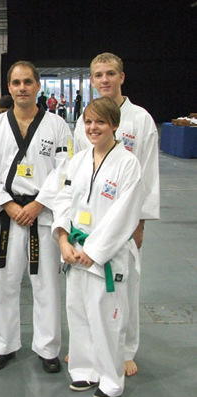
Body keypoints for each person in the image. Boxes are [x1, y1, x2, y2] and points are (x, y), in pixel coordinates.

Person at [73, 52, 160, 377]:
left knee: (124, 287)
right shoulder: (87, 122)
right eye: (98, 75)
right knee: (85, 288)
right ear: (92, 80)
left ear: (122, 77)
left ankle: (124, 350)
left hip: (124, 221)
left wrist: (140, 222)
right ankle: (87, 348)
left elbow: (148, 175)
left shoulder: (140, 119)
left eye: (110, 73)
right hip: (87, 221)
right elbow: (76, 175)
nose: (104, 80)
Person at [0, 61, 71, 372]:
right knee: (4, 283)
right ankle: (4, 346)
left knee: (45, 285)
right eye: (16, 82)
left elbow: (64, 170)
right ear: (9, 87)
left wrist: (39, 204)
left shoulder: (57, 125)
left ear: (37, 86)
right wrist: (7, 205)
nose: (22, 88)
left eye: (28, 82)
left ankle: (48, 349)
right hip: (7, 216)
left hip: (41, 217)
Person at [53, 97, 143, 397]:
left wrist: (94, 249)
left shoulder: (128, 163)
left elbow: (124, 213)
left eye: (101, 122)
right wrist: (63, 240)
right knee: (77, 313)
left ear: (114, 125)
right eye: (88, 121)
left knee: (106, 318)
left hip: (106, 254)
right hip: (75, 251)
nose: (93, 128)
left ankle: (110, 378)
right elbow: (63, 200)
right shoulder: (77, 161)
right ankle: (84, 370)